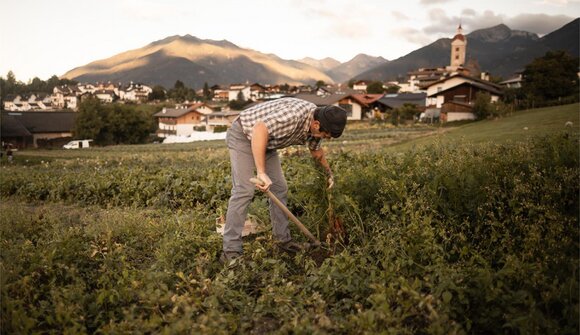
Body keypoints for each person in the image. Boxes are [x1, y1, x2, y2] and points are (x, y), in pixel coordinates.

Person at [221, 97, 347, 263]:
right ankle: (230, 252)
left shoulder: (317, 121)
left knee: (279, 188)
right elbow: (259, 129)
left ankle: (283, 243)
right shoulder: (293, 117)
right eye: (326, 135)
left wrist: (328, 174)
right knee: (244, 190)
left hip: (267, 143)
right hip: (244, 134)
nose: (325, 138)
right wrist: (261, 172)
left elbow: (316, 152)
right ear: (316, 124)